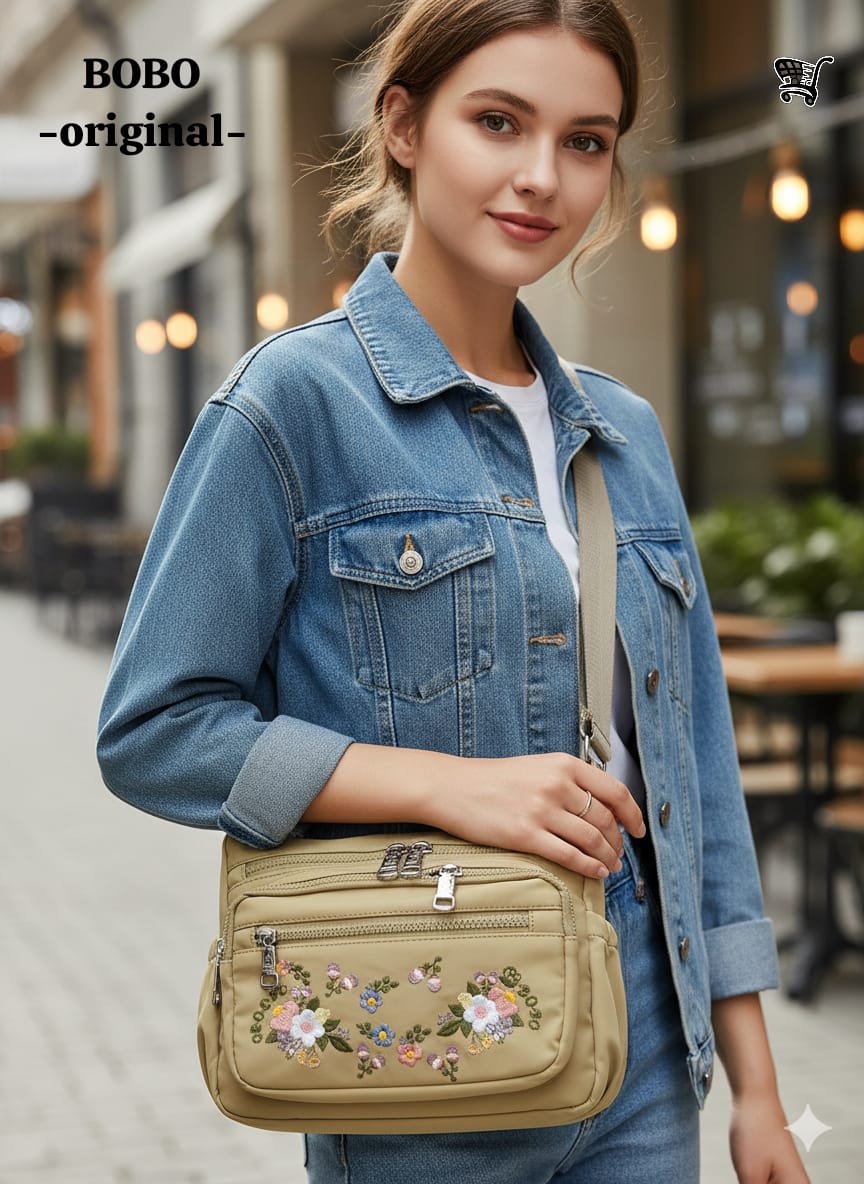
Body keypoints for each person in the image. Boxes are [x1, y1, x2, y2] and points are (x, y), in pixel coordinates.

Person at [97, 1, 810, 1180]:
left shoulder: (624, 432)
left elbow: (696, 771)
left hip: (642, 1039)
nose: (543, 177)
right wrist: (448, 787)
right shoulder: (291, 407)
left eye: (587, 140)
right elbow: (153, 729)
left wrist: (761, 1087)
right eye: (498, 121)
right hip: (419, 1044)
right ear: (405, 125)